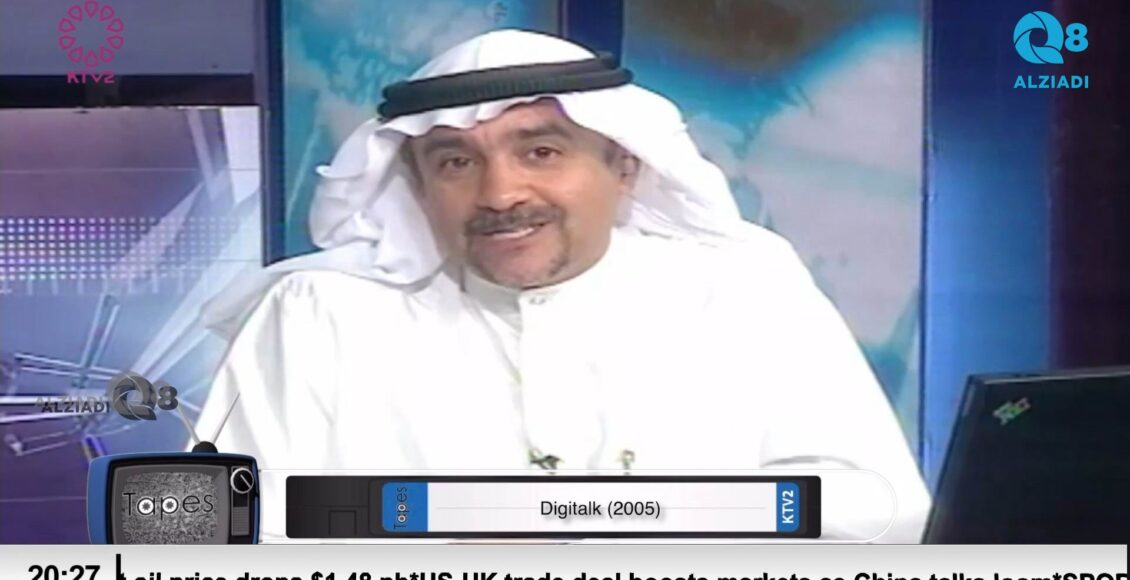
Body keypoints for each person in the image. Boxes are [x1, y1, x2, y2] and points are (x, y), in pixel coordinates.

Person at [194, 29, 930, 542]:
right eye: (456, 162)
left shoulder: (742, 288)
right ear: (418, 185)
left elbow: (875, 511)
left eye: (541, 151)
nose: (500, 193)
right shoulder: (316, 314)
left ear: (624, 165)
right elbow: (215, 533)